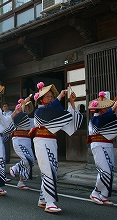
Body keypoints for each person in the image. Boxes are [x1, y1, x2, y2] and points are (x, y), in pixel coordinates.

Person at [31, 82, 83, 213]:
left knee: (52, 170)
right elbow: (51, 111)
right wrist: (60, 96)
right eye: (47, 96)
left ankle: (43, 198)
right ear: (41, 99)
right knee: (47, 170)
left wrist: (71, 102)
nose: (50, 98)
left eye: (51, 96)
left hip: (52, 142)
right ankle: (49, 202)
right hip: (41, 142)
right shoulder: (39, 111)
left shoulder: (51, 111)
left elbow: (69, 120)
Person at [87, 91, 117, 206]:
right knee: (104, 171)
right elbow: (102, 121)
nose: (108, 109)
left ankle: (103, 195)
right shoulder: (95, 119)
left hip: (108, 145)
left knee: (110, 171)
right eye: (106, 108)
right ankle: (95, 192)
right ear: (100, 109)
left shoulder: (107, 117)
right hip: (98, 145)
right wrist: (114, 107)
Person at [9, 96, 35, 190]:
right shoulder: (17, 117)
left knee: (30, 161)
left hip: (27, 141)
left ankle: (21, 181)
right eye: (25, 107)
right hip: (18, 140)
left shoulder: (30, 120)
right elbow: (21, 116)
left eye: (28, 107)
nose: (26, 109)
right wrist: (23, 104)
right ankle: (15, 167)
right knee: (26, 159)